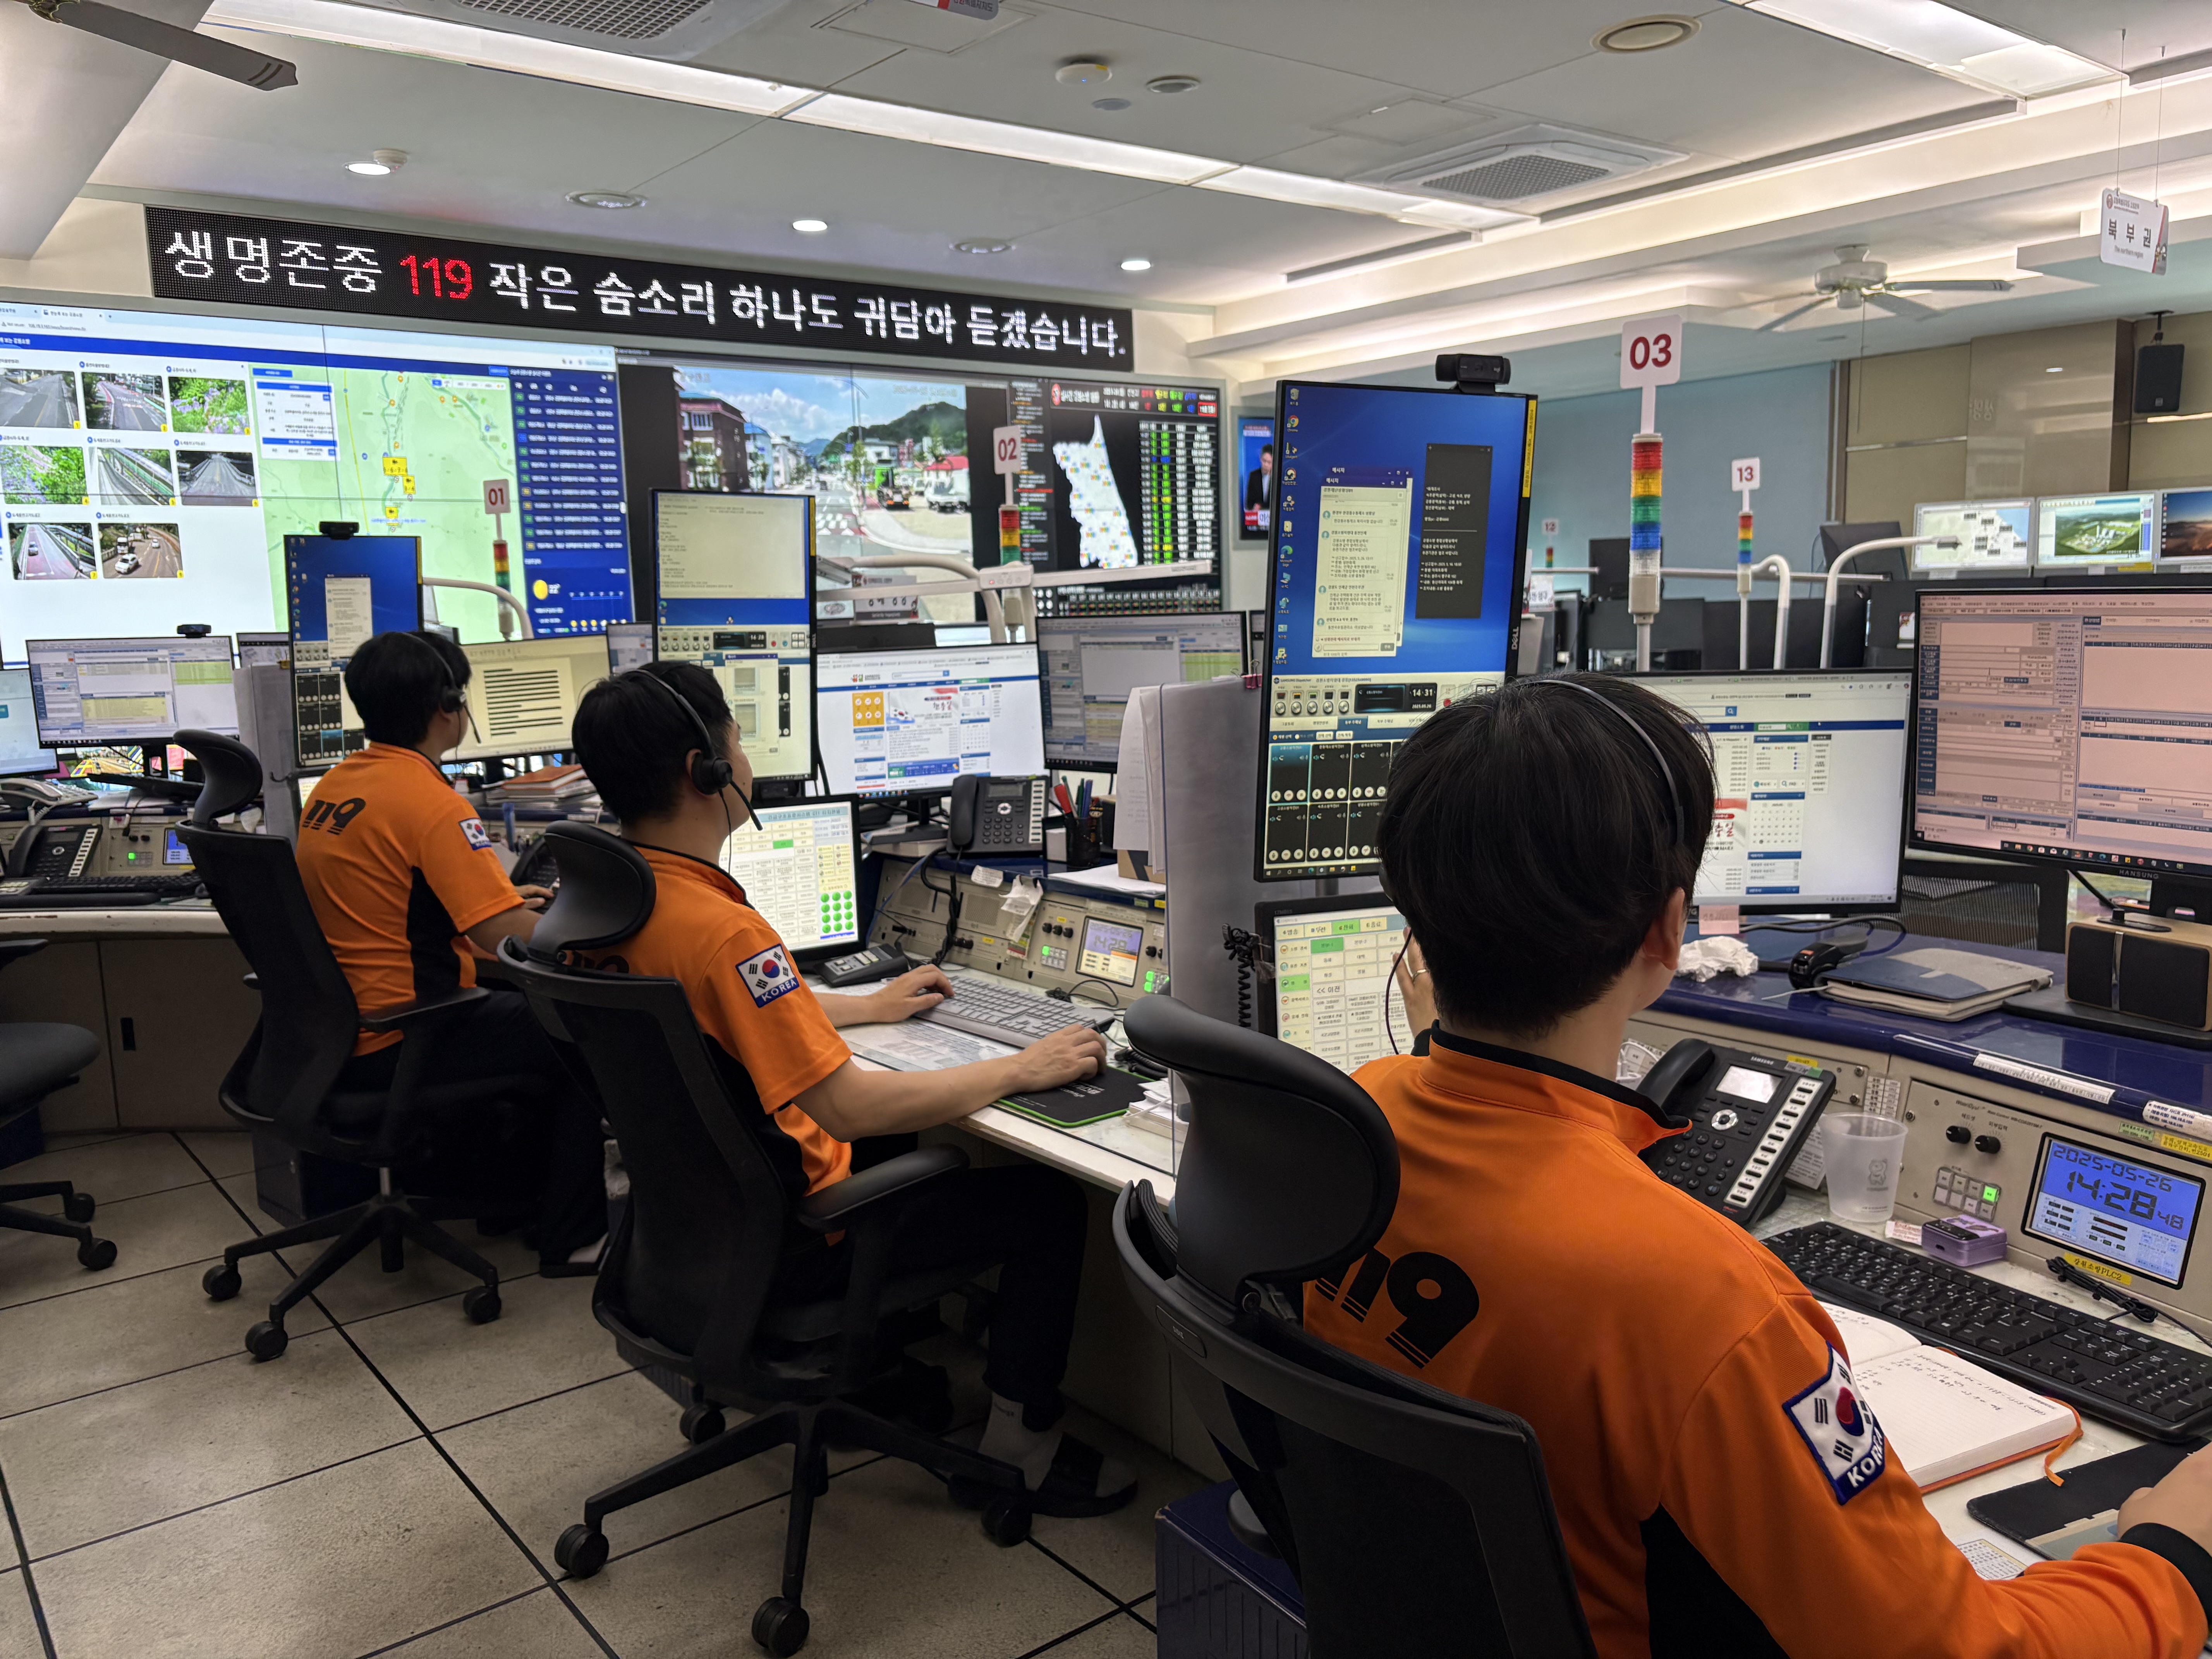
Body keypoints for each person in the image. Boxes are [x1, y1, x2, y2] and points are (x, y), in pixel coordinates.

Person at [1306, 670, 2212, 1658]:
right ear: (1668, 930)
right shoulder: (1702, 1296)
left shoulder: (1349, 1126)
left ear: (1413, 918)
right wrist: (2174, 1558)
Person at [567, 661, 1137, 1519]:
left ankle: (882, 1362)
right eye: (738, 742)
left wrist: (864, 1006)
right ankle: (1022, 1449)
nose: (746, 759)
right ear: (706, 769)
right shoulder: (721, 931)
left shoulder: (607, 904)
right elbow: (848, 1108)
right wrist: (1021, 1068)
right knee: (1048, 1202)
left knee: (913, 1143)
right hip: (795, 1242)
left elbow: (708, 1014)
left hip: (687, 1240)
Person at [294, 630, 608, 1276]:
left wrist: (494, 901)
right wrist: (604, 932)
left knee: (527, 1013)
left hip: (334, 1033)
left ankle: (510, 1202)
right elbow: (508, 938)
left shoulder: (334, 788)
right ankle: (575, 1238)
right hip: (404, 1032)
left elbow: (399, 905)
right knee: (582, 1025)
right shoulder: (433, 803)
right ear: (447, 705)